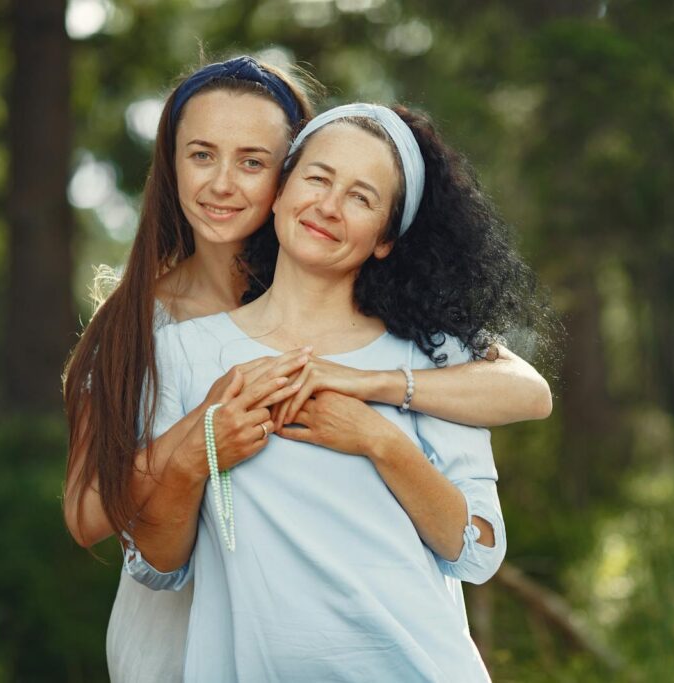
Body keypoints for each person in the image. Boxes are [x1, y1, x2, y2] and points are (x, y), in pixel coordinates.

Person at [62, 58, 552, 681]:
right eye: (201, 155)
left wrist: (368, 405)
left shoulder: (381, 308)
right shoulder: (150, 330)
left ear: (283, 174)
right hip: (188, 636)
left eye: (252, 162)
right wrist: (201, 434)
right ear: (171, 164)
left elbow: (524, 394)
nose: (223, 184)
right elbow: (90, 516)